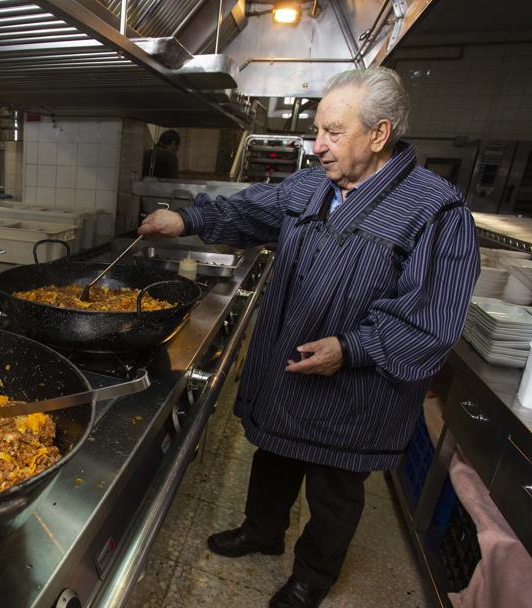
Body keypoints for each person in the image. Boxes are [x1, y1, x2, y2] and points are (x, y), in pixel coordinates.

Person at [139, 67, 478, 608]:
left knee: (334, 490)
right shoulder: (313, 185)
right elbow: (250, 209)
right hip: (289, 362)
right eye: (317, 130)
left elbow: (432, 319)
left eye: (333, 133)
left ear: (379, 133)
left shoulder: (435, 210)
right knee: (272, 453)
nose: (317, 146)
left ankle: (311, 579)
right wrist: (185, 217)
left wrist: (353, 349)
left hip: (353, 392)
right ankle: (262, 531)